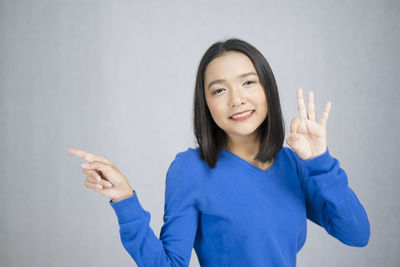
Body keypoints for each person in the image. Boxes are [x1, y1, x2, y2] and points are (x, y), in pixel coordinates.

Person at [67, 38, 370, 266]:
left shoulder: (296, 164)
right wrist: (124, 200)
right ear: (206, 105)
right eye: (219, 90)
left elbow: (356, 234)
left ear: (268, 90)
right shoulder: (190, 169)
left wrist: (321, 163)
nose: (237, 99)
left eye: (248, 82)